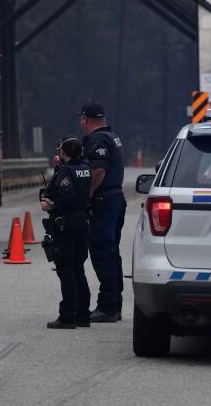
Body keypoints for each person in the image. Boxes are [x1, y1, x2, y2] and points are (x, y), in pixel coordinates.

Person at [79, 101, 126, 323]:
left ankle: (107, 306)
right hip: (114, 200)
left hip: (104, 202)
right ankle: (114, 304)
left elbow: (98, 170)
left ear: (85, 120)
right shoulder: (112, 136)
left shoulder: (98, 140)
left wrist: (85, 195)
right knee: (111, 252)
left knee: (102, 252)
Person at [40, 136, 93, 329]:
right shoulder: (85, 168)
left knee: (66, 269)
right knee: (78, 268)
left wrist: (51, 204)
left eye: (61, 150)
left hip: (67, 224)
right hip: (82, 223)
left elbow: (67, 196)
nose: (58, 153)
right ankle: (83, 314)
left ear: (65, 153)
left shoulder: (65, 171)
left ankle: (68, 315)